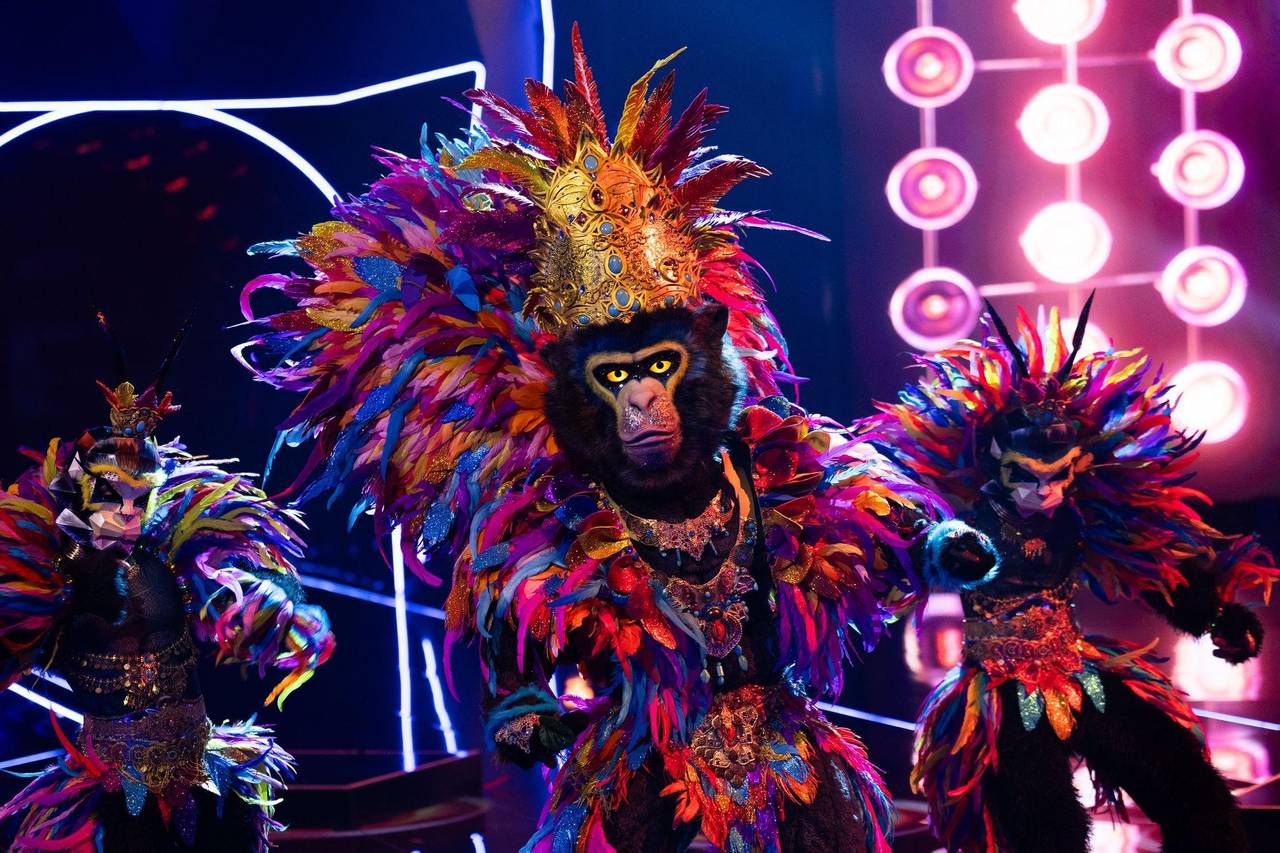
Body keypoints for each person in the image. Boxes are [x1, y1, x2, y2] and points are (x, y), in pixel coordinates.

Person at [234, 26, 996, 852]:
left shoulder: (774, 462)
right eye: (614, 376)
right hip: (641, 778)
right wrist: (523, 709)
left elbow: (875, 518)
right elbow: (512, 638)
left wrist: (939, 545)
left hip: (789, 767)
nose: (642, 402)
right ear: (567, 385)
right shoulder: (550, 519)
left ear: (709, 351)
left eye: (660, 367)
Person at [872, 298, 1275, 853]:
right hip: (1003, 696)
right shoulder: (969, 517)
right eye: (1026, 476)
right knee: (1047, 830)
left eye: (1058, 476)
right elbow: (926, 546)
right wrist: (953, 551)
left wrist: (1214, 616)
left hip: (1080, 673)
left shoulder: (1082, 514)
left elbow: (1149, 569)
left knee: (1192, 790)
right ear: (996, 463)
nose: (1044, 491)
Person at [0, 332, 334, 851]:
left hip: (204, 774)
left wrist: (276, 612)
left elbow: (226, 599)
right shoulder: (52, 577)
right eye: (113, 497)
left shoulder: (169, 558)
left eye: (140, 499)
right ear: (83, 496)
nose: (129, 513)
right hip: (116, 791)